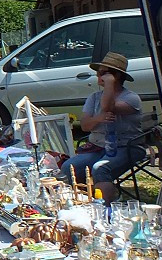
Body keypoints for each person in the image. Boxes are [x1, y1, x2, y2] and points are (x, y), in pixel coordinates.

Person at [58, 52, 142, 204]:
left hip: (125, 146)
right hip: (98, 146)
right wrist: (98, 118)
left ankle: (106, 207)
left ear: (115, 75)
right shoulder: (93, 97)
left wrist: (110, 84)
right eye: (98, 73)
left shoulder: (131, 98)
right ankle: (84, 202)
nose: (98, 77)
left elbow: (108, 106)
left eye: (103, 73)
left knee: (100, 168)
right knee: (68, 167)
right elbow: (84, 126)